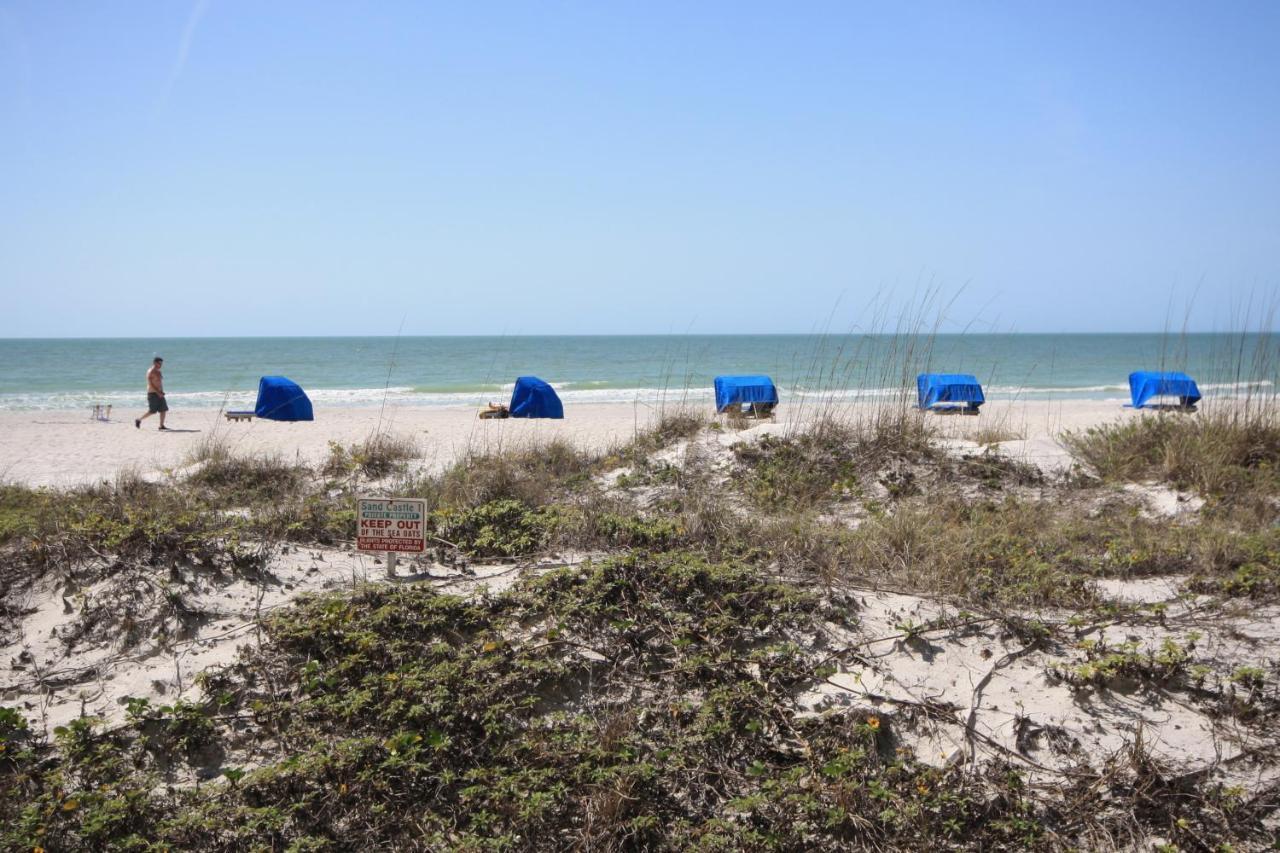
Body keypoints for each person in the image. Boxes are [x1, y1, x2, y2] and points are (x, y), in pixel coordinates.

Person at [135, 357, 169, 430]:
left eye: (161, 363)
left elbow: (159, 383)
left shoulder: (158, 371)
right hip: (153, 393)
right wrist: (158, 392)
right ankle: (139, 420)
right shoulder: (151, 371)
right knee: (152, 411)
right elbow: (150, 384)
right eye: (159, 363)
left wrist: (161, 391)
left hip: (160, 393)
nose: (160, 365)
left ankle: (161, 426)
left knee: (163, 409)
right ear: (154, 363)